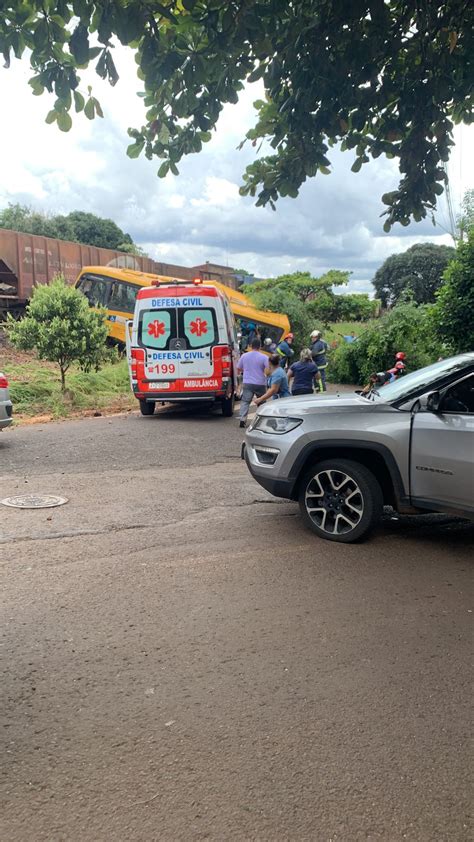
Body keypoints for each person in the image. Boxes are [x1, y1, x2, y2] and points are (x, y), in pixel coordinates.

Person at [237, 338, 268, 428]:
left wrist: (246, 370)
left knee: (245, 401)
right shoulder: (264, 357)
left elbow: (239, 367)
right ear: (260, 346)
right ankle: (262, 420)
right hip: (260, 382)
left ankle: (242, 419)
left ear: (251, 346)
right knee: (262, 401)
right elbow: (269, 368)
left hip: (247, 382)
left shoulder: (244, 356)